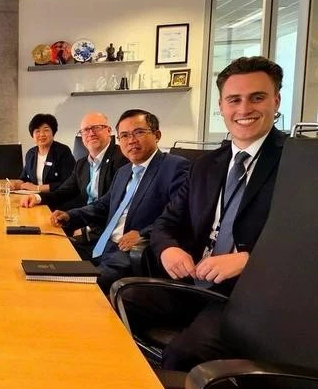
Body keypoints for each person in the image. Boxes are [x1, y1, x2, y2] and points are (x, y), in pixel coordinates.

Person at [144, 56, 288, 371]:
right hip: (194, 281)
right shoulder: (205, 165)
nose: (244, 108)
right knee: (106, 304)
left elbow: (305, 247)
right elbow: (165, 224)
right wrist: (169, 249)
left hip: (247, 296)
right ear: (221, 106)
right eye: (234, 99)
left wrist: (248, 260)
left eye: (257, 97)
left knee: (184, 353)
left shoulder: (298, 162)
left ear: (276, 101)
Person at [50, 109, 189, 295]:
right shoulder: (124, 172)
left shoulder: (175, 167)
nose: (131, 140)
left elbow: (180, 214)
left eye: (138, 132)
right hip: (103, 246)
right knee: (52, 261)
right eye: (124, 135)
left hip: (130, 253)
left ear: (157, 135)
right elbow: (103, 205)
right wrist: (69, 215)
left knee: (78, 288)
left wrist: (143, 233)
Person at [21, 112, 128, 259]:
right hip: (83, 223)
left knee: (50, 253)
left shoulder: (123, 159)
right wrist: (37, 197)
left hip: (104, 235)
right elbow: (64, 191)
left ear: (109, 131)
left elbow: (113, 205)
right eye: (86, 130)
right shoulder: (82, 164)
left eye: (96, 128)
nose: (91, 133)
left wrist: (86, 229)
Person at [10, 113, 75, 193]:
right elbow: (24, 178)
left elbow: (68, 182)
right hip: (35, 197)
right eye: (37, 131)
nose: (41, 134)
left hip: (58, 199)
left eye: (46, 130)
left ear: (53, 133)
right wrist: (15, 184)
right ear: (32, 135)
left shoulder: (63, 151)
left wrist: (38, 188)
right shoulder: (31, 153)